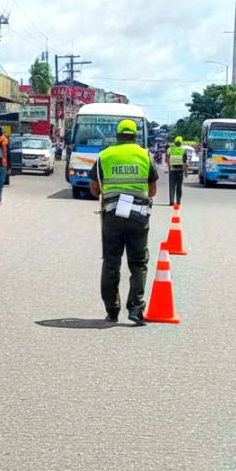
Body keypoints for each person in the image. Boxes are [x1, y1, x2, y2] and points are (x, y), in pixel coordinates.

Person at [89, 119, 159, 326]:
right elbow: (153, 190)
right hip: (138, 216)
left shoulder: (105, 155)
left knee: (111, 262)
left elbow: (95, 188)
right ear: (135, 136)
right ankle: (136, 310)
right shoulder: (146, 155)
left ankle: (112, 311)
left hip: (112, 215)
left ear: (118, 136)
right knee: (138, 263)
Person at [166, 136, 186, 206]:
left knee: (172, 187)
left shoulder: (170, 150)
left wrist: (169, 168)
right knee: (179, 187)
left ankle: (171, 202)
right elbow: (184, 163)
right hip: (180, 171)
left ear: (174, 142)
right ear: (181, 143)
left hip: (172, 170)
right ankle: (178, 202)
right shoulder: (183, 151)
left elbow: (168, 160)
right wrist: (186, 172)